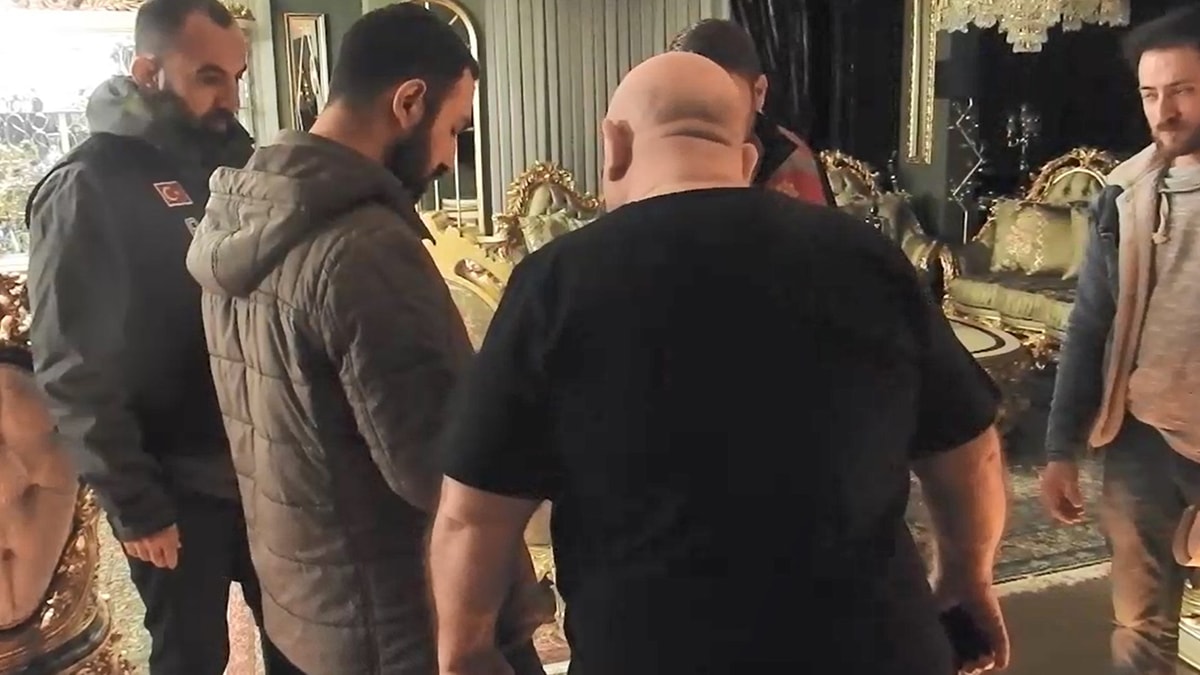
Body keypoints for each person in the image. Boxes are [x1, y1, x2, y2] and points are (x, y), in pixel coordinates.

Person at [428, 51, 1010, 675]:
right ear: (747, 158)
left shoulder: (554, 282)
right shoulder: (867, 256)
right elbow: (970, 452)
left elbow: (472, 515)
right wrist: (966, 576)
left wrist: (465, 651)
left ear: (614, 145)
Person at [184, 5, 549, 674]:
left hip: (308, 611)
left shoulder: (239, 216)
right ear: (409, 101)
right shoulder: (366, 248)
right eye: (454, 129)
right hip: (403, 625)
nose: (450, 156)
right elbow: (446, 471)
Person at [23, 1, 292, 673]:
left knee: (306, 649)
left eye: (236, 77)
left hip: (264, 475)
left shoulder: (235, 170)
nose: (230, 99)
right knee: (192, 657)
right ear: (148, 72)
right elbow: (72, 366)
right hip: (172, 487)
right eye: (209, 77)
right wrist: (136, 504)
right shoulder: (86, 187)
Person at [1041, 6, 1200, 675]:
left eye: (1183, 90)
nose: (1164, 111)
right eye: (1150, 93)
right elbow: (1091, 323)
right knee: (1138, 625)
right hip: (1141, 439)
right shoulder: (1125, 193)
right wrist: (1060, 448)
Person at [669, 18, 833, 206]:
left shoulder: (793, 165)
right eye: (687, 102)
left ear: (759, 93)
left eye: (723, 105)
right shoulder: (649, 157)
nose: (704, 122)